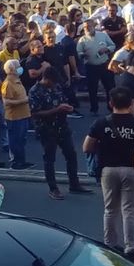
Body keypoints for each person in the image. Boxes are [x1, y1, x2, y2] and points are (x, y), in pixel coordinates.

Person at [83, 87, 134, 257]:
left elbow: (86, 147)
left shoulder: (101, 123)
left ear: (111, 104)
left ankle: (110, 244)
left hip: (108, 170)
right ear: (132, 103)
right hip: (132, 170)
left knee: (110, 209)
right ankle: (131, 247)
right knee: (130, 210)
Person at [29, 67, 91, 200]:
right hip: (46, 129)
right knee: (49, 159)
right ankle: (53, 188)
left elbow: (62, 101)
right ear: (46, 79)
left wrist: (67, 108)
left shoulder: (56, 87)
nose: (55, 84)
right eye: (53, 81)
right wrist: (56, 110)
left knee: (71, 155)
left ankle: (74, 183)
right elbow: (35, 113)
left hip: (62, 126)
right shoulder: (35, 91)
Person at [0, 59, 33, 170]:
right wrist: (24, 101)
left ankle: (22, 161)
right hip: (14, 117)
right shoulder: (8, 83)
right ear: (11, 70)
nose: (20, 67)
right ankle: (16, 162)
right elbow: (6, 102)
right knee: (15, 141)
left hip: (23, 115)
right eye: (17, 66)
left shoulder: (17, 80)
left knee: (21, 140)